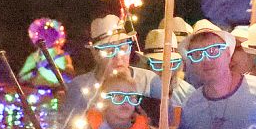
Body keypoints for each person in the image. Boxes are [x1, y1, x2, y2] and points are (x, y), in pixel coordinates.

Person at [64, 15, 193, 117]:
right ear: (95, 53)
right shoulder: (80, 87)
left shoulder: (150, 81)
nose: (118, 56)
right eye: (109, 50)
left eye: (123, 48)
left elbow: (170, 124)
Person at [18, 18, 75, 88]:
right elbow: (21, 79)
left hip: (59, 91)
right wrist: (33, 73)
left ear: (55, 36)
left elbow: (70, 78)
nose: (46, 36)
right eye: (43, 33)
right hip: (37, 92)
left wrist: (54, 68)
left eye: (50, 33)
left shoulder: (63, 55)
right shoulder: (33, 57)